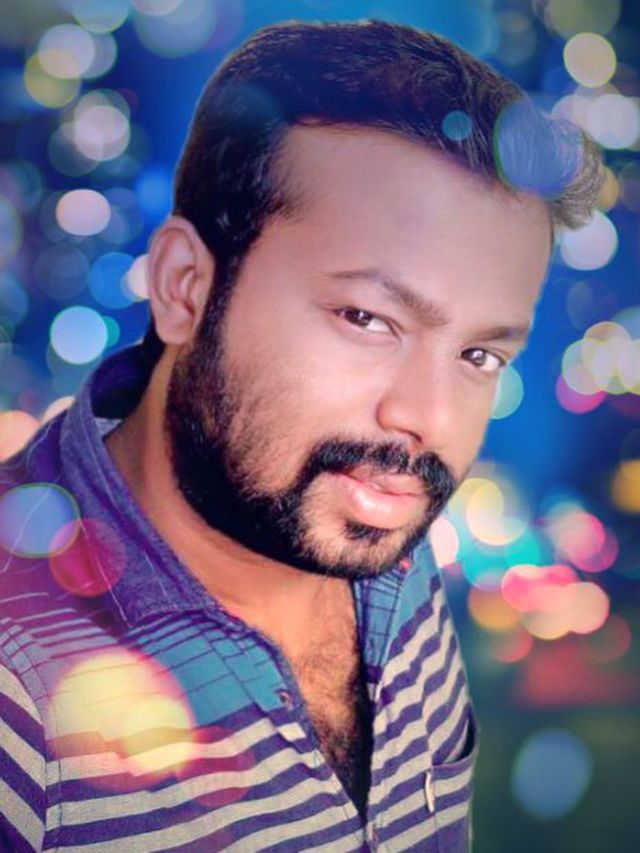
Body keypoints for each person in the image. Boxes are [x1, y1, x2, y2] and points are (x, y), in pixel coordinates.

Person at [0, 19, 602, 853]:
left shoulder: (384, 550)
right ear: (184, 285)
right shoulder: (20, 709)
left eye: (478, 355)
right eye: (367, 318)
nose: (425, 419)